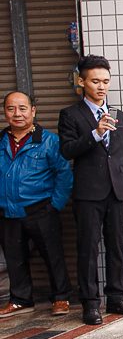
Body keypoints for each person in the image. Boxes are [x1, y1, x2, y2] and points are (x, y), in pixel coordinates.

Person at [58, 54, 123, 325]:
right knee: (88, 250)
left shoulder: (119, 115)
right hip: (87, 193)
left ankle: (116, 297)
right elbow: (67, 150)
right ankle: (91, 304)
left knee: (116, 247)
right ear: (82, 82)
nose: (102, 86)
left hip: (117, 191)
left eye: (106, 81)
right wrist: (95, 133)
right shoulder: (70, 114)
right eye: (95, 81)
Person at [0, 92, 74, 317]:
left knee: (53, 255)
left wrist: (54, 206)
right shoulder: (1, 141)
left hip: (41, 209)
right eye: (11, 109)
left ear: (33, 111)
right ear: (5, 112)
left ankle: (61, 298)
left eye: (22, 108)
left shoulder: (49, 141)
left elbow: (64, 175)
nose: (17, 114)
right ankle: (21, 299)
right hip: (7, 211)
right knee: (14, 258)